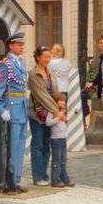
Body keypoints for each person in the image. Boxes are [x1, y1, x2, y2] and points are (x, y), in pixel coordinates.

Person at [0, 31, 31, 193]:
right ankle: (8, 181)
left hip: (21, 107)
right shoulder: (4, 64)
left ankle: (16, 179)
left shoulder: (21, 63)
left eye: (22, 44)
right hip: (11, 109)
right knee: (10, 146)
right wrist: (1, 110)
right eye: (19, 44)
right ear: (11, 45)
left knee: (20, 146)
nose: (22, 47)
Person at [30, 45, 58, 186]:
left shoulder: (51, 72)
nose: (48, 59)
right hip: (38, 114)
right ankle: (37, 176)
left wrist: (61, 104)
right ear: (38, 58)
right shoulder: (33, 74)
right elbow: (42, 96)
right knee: (38, 144)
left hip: (50, 116)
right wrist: (56, 110)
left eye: (49, 56)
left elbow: (55, 93)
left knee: (47, 144)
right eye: (45, 57)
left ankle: (43, 174)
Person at [49, 92, 74, 188]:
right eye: (61, 100)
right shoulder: (52, 112)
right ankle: (55, 180)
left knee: (63, 160)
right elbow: (48, 122)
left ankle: (64, 178)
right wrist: (58, 118)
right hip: (56, 139)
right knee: (57, 160)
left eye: (64, 101)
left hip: (63, 138)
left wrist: (64, 120)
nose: (63, 103)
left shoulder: (63, 112)